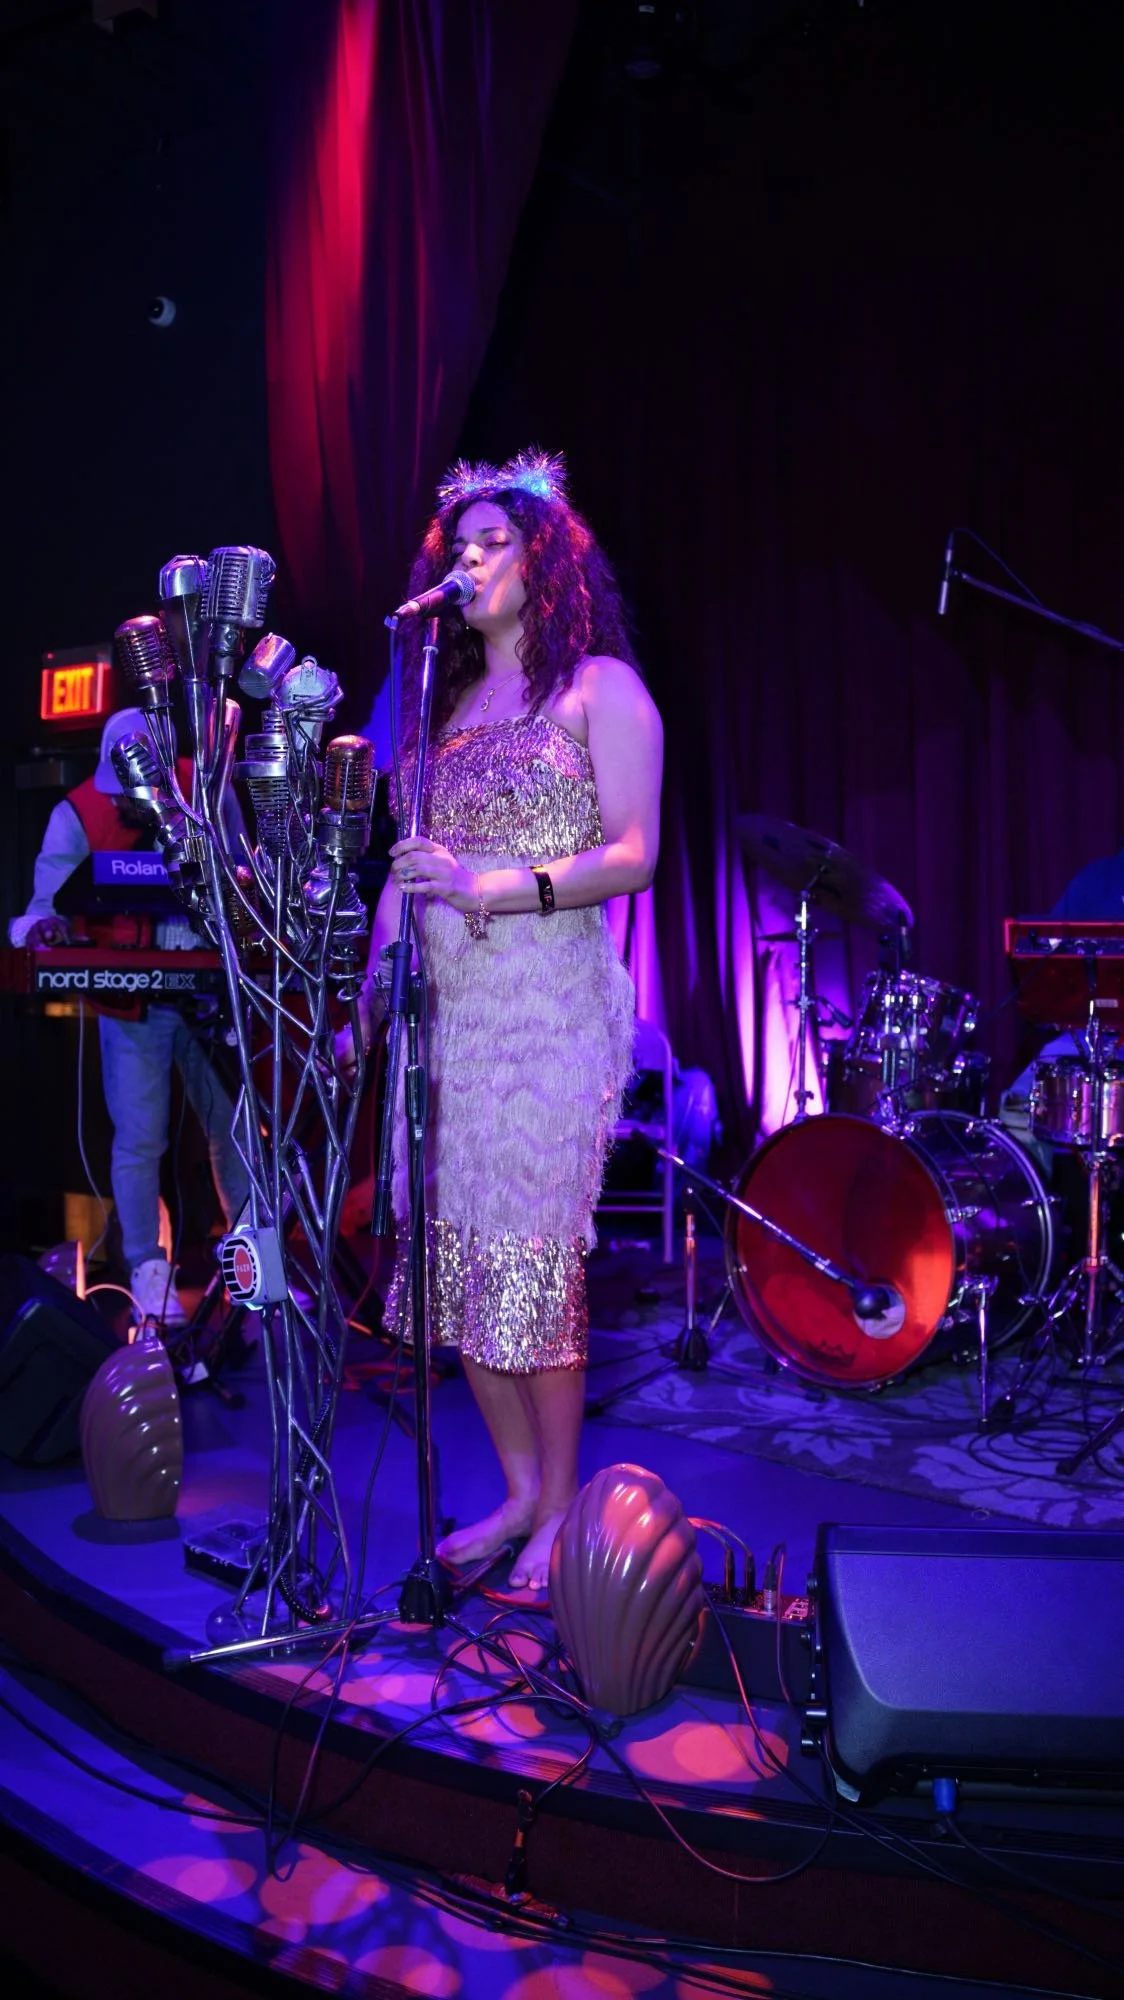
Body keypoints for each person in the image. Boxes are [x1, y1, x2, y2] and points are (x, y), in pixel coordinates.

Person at [358, 448, 663, 1596]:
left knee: (532, 1263)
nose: (471, 561)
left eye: (494, 543)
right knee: (459, 1267)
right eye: (458, 547)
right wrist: (371, 990)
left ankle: (566, 1497)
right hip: (450, 1021)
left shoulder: (598, 688)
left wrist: (501, 885)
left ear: (544, 561)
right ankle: (521, 1493)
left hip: (544, 1010)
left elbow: (633, 853)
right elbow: (406, 869)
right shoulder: (437, 718)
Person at [9, 706, 249, 1326]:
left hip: (209, 990)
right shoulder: (79, 814)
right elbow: (38, 911)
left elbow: (244, 876)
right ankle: (146, 1267)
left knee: (235, 1130)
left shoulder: (206, 787)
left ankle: (253, 1265)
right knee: (142, 1135)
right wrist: (50, 925)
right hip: (130, 997)